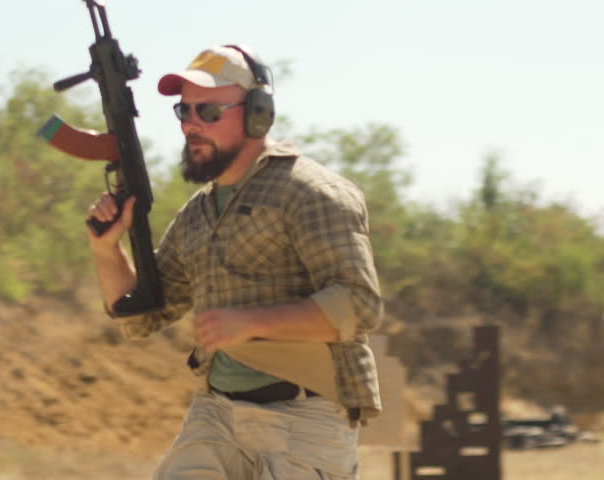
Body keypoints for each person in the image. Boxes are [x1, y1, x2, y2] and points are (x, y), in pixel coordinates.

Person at [86, 45, 383, 480]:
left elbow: (359, 305)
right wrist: (107, 250)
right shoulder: (198, 212)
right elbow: (141, 316)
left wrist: (253, 322)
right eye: (183, 111)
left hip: (304, 420)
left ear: (257, 113)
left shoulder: (311, 192)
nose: (191, 124)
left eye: (208, 111)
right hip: (217, 415)